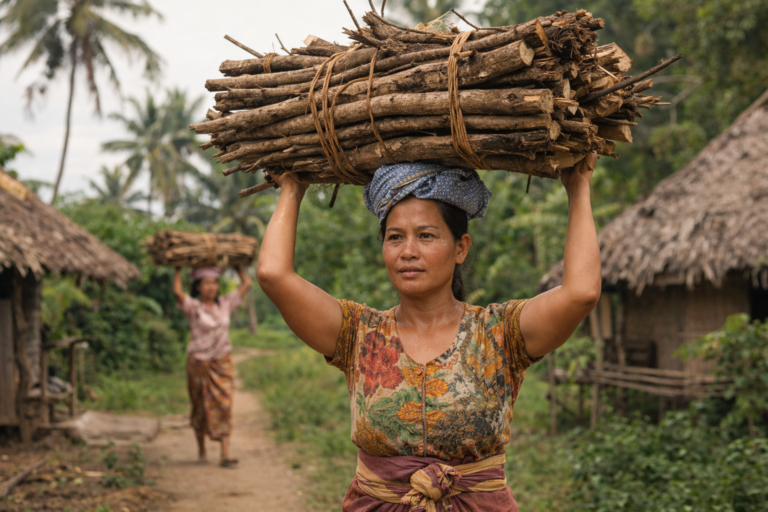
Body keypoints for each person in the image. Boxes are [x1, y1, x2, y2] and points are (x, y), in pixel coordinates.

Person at [257, 155, 601, 510]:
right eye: (395, 238)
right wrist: (292, 189)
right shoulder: (360, 334)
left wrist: (578, 188)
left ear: (460, 248)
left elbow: (581, 293)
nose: (408, 251)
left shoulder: (500, 333)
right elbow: (273, 275)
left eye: (426, 236)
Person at [172, 265, 252, 467]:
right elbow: (177, 292)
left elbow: (248, 283)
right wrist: (178, 268)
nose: (211, 287)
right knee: (199, 406)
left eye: (214, 282)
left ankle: (225, 454)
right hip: (198, 362)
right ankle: (201, 450)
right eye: (206, 283)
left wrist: (237, 263)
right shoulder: (193, 306)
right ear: (198, 286)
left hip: (222, 361)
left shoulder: (225, 303)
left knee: (225, 405)